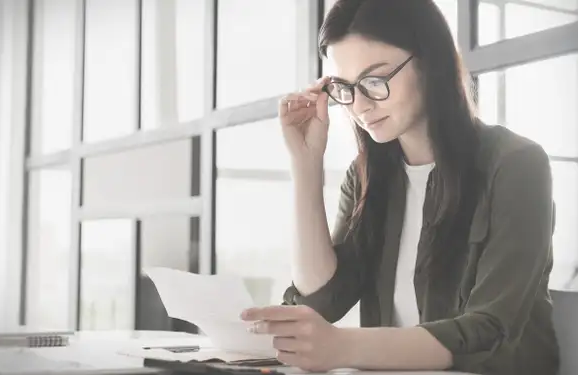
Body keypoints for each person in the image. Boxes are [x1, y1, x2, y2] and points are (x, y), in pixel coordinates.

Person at [239, 1, 559, 374]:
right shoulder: (366, 177)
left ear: (429, 63)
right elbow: (321, 301)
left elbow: (488, 331)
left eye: (375, 81)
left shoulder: (517, 165)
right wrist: (306, 165)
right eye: (347, 87)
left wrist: (342, 345)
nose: (359, 106)